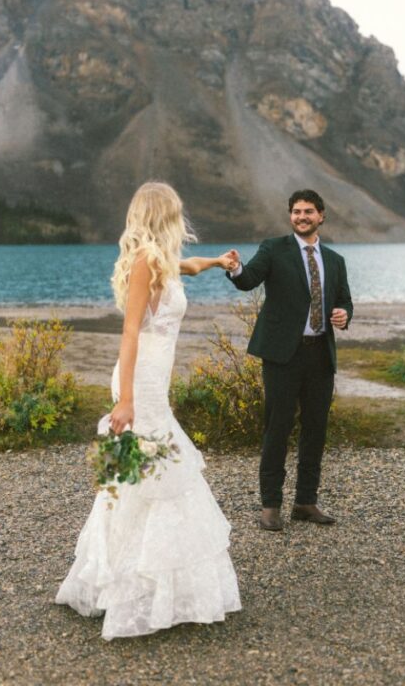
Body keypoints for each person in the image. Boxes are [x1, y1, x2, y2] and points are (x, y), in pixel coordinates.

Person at [56, 182, 242, 639]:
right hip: (139, 380)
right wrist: (126, 400)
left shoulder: (162, 259)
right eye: (176, 212)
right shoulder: (144, 262)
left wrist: (219, 262)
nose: (181, 219)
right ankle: (129, 586)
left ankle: (158, 584)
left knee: (150, 471)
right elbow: (130, 333)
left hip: (154, 379)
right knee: (148, 473)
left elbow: (191, 267)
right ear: (164, 216)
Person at [227, 189, 353, 532]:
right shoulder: (273, 249)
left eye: (308, 211)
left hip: (320, 355)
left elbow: (344, 301)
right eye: (296, 211)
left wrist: (343, 314)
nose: (301, 216)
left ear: (321, 216)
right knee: (277, 429)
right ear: (290, 216)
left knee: (316, 430)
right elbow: (249, 280)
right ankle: (271, 506)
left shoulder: (335, 260)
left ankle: (305, 502)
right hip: (283, 355)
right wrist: (237, 268)